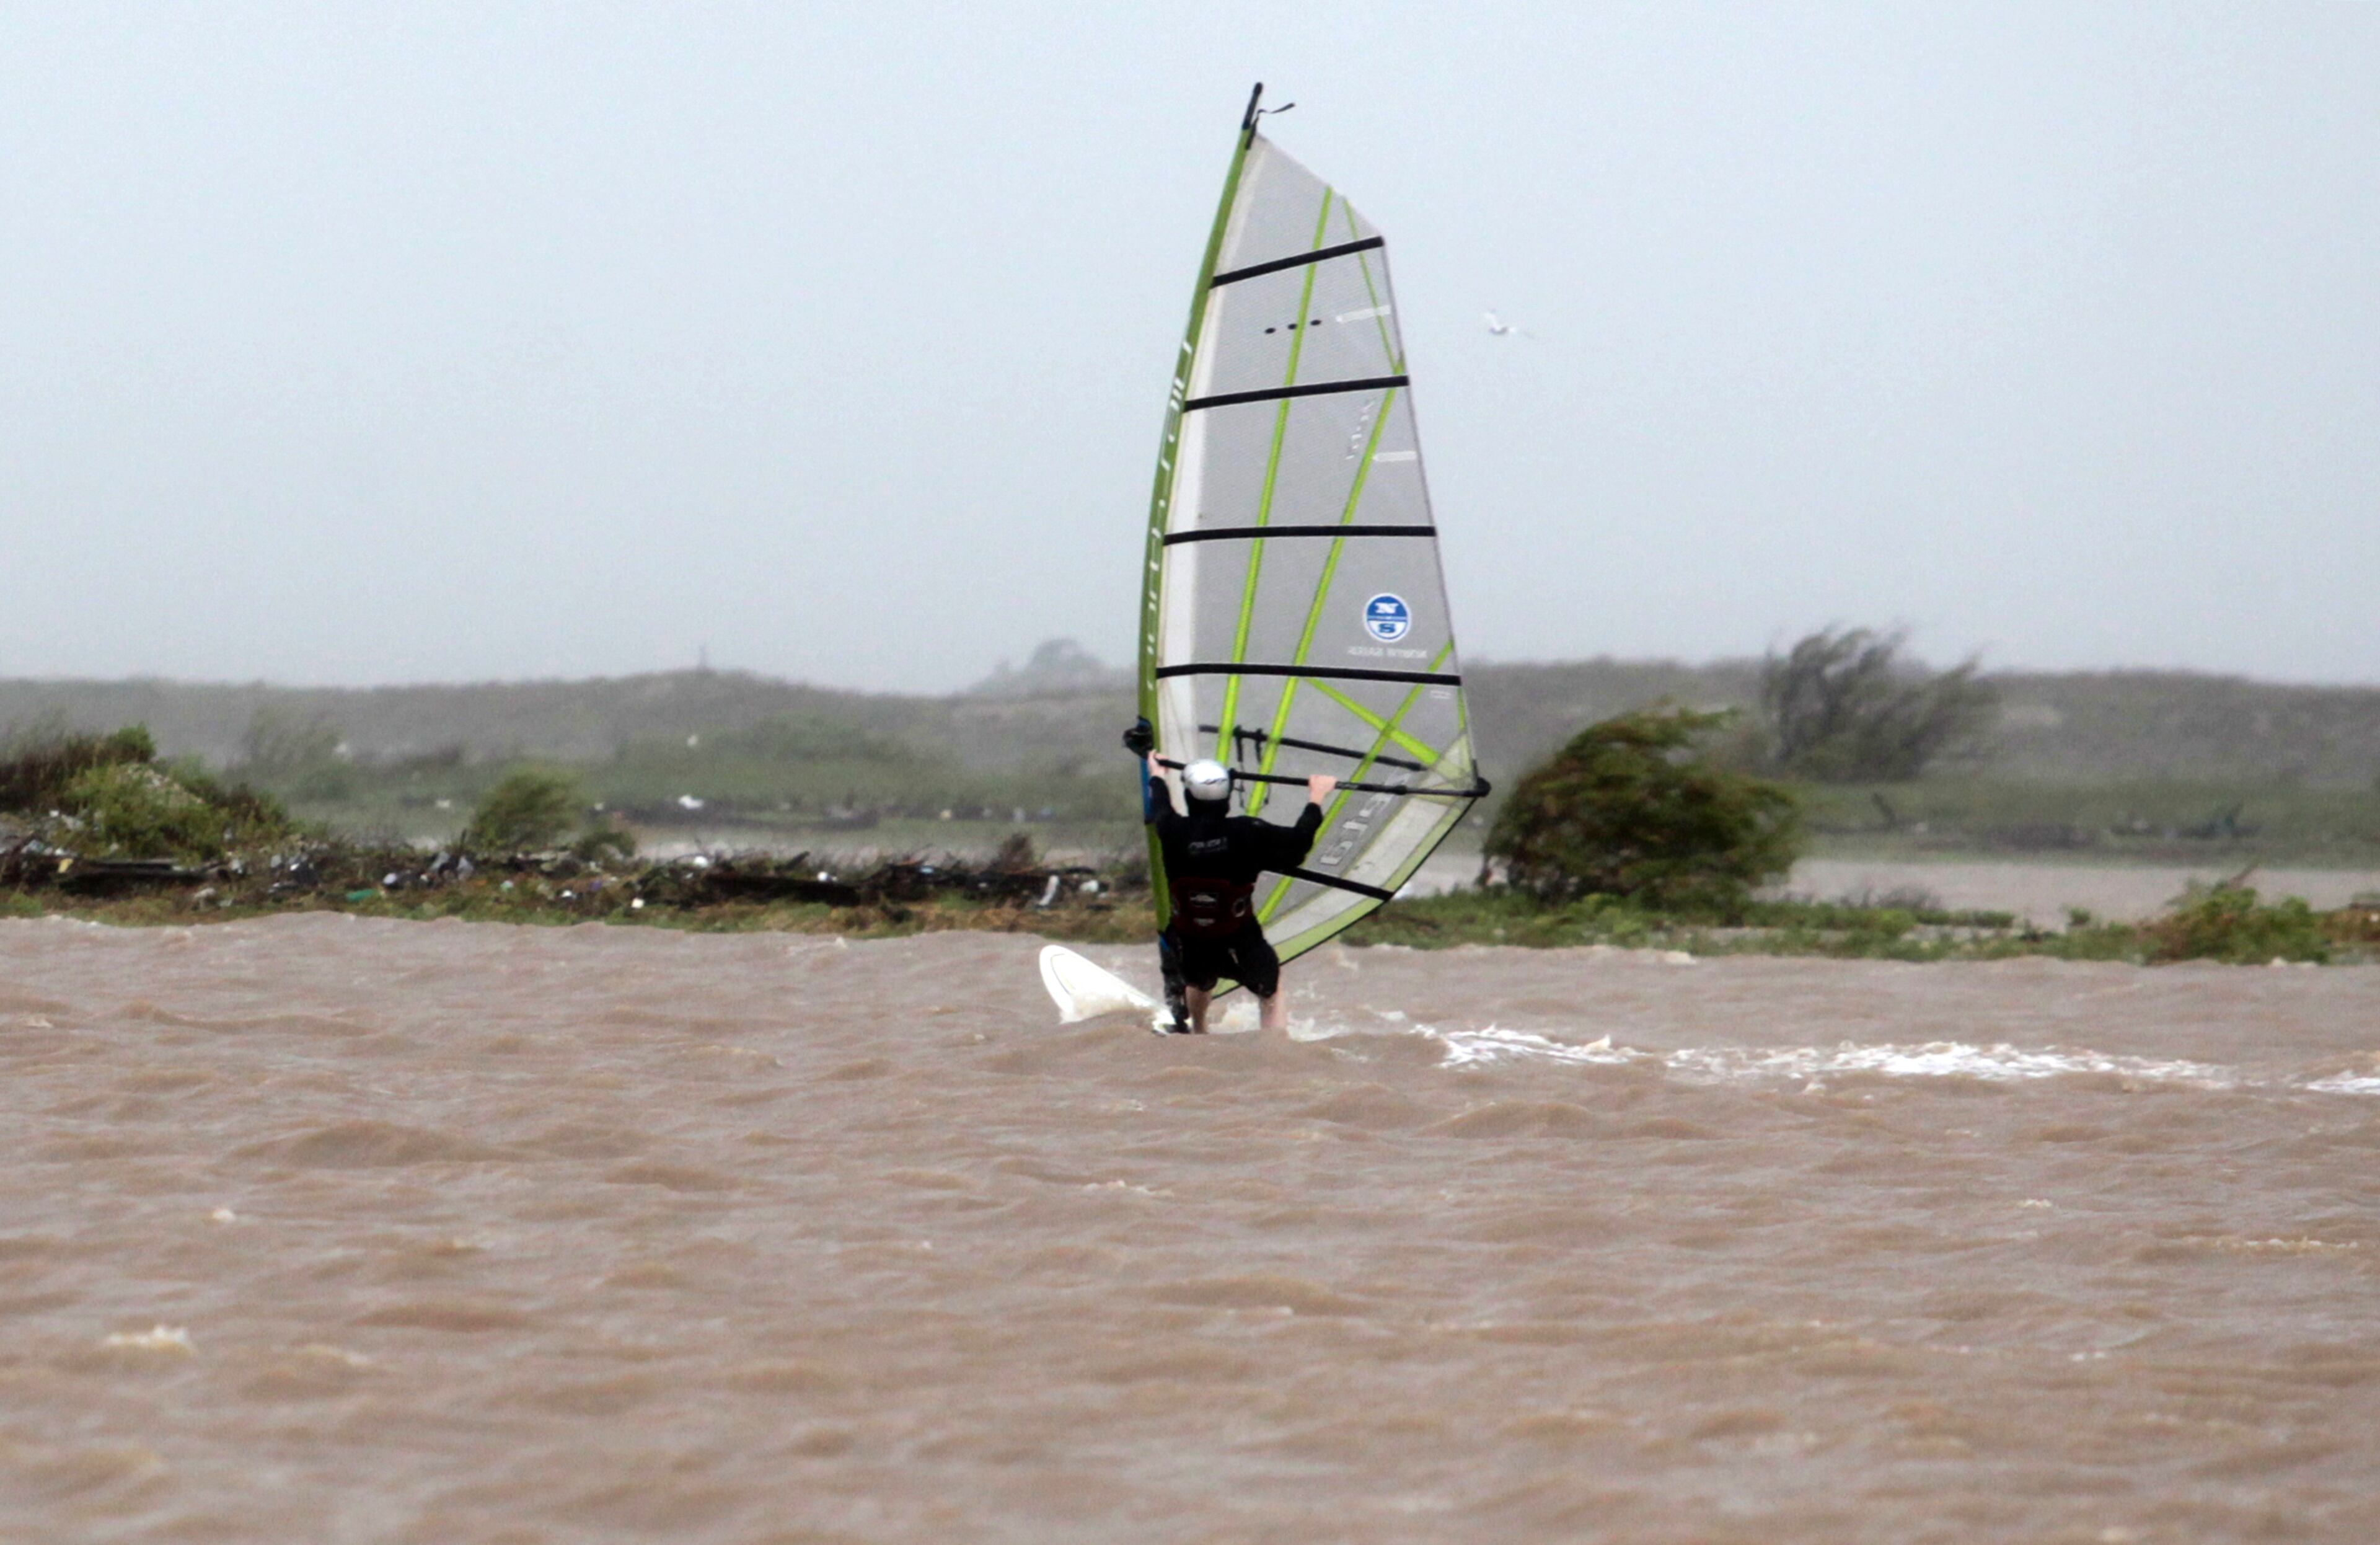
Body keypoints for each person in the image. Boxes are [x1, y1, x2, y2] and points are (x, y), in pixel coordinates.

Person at [1123, 719, 1336, 1034]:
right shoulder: (1247, 832)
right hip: (1240, 936)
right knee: (1270, 987)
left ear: (1191, 797)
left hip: (1192, 938)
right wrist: (1316, 797)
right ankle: (1274, 1046)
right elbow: (1298, 844)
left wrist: (1156, 772)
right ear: (1226, 798)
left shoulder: (1172, 831)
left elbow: (1161, 805)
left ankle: (1200, 1031)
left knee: (1199, 980)